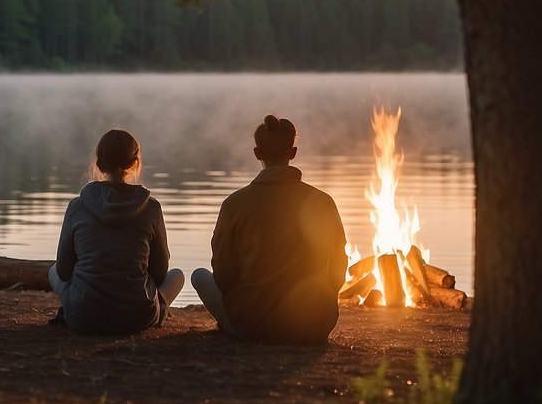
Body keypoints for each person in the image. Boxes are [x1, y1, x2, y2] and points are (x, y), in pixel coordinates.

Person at [192, 115, 347, 344]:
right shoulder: (323, 202)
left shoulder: (234, 203)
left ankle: (233, 325)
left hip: (253, 325)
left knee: (199, 276)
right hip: (314, 325)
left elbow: (224, 276)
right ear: (293, 153)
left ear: (257, 153)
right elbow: (338, 269)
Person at [49, 129, 185, 334]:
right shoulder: (151, 208)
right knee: (177, 276)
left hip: (84, 317)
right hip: (138, 318)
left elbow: (63, 271)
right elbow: (160, 272)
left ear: (99, 163)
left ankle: (79, 307)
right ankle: (160, 311)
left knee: (52, 271)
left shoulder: (77, 207)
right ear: (134, 163)